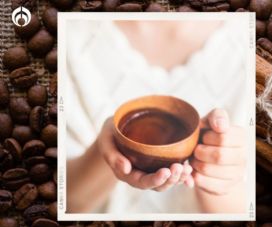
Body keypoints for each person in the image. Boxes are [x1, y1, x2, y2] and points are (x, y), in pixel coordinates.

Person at [65, 19, 251, 213]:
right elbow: (68, 205)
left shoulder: (248, 41)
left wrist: (215, 173)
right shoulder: (72, 35)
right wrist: (110, 148)